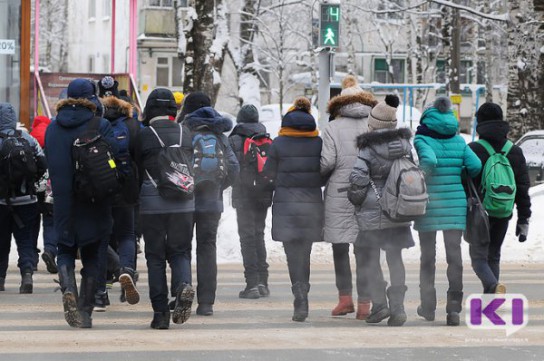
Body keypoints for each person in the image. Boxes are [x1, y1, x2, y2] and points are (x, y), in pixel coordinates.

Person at [45, 78, 118, 328]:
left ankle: (67, 284)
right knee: (92, 256)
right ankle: (85, 312)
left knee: (65, 248)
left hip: (63, 200)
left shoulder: (52, 128)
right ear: (91, 98)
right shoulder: (101, 124)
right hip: (94, 201)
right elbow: (116, 159)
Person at [413, 96, 481, 326]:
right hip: (455, 205)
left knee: (428, 257)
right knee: (454, 256)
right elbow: (475, 166)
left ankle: (428, 306)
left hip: (430, 204)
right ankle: (453, 309)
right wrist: (457, 170)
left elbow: (429, 161)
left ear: (427, 116)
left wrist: (419, 176)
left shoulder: (422, 137)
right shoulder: (459, 139)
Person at [349, 95, 414, 326]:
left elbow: (358, 179)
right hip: (399, 211)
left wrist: (355, 199)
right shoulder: (406, 147)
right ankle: (398, 308)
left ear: (374, 123)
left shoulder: (367, 148)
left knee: (370, 258)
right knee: (395, 257)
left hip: (373, 212)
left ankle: (379, 305)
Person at [135, 88, 195, 329]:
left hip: (152, 205)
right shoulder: (186, 132)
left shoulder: (144, 135)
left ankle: (160, 313)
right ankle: (182, 287)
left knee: (155, 258)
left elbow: (137, 168)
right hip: (183, 203)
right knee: (180, 252)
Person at [320, 75, 377, 319]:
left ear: (339, 105)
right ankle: (365, 305)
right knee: (364, 249)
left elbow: (327, 162)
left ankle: (345, 300)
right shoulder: (374, 125)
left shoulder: (332, 127)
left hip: (340, 193)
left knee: (340, 248)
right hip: (368, 193)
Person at [263, 97, 324, 322]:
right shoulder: (318, 143)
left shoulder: (278, 143)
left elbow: (268, 174)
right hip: (311, 206)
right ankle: (304, 293)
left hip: (286, 205)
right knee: (305, 252)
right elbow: (324, 171)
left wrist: (275, 183)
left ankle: (298, 294)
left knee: (292, 254)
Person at [183, 92, 239, 316]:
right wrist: (217, 186)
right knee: (207, 249)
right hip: (211, 203)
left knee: (182, 249)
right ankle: (206, 303)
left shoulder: (186, 133)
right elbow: (234, 169)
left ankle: (182, 294)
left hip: (186, 201)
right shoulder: (221, 136)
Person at [468, 102, 531, 293]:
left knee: (478, 257)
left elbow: (465, 184)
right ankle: (491, 299)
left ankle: (493, 286)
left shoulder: (473, 149)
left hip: (480, 213)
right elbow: (522, 189)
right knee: (493, 255)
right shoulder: (515, 151)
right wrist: (523, 220)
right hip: (503, 211)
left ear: (480, 122)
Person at [94, 95, 142, 310]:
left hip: (102, 187)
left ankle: (101, 291)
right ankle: (126, 269)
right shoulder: (133, 126)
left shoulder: (98, 125)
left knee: (101, 238)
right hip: (127, 189)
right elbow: (140, 158)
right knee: (126, 234)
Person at [0, 103, 47, 293]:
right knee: (26, 240)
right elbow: (43, 164)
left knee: (1, 241)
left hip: (2, 203)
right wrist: (32, 186)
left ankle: (1, 278)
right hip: (28, 200)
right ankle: (27, 273)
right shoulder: (27, 139)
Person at [228, 104, 273, 299]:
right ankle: (263, 282)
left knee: (247, 237)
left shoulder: (234, 139)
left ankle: (252, 284)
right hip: (263, 193)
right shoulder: (266, 139)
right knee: (259, 234)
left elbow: (230, 167)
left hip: (244, 195)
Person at [30, 115, 58, 274]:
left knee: (31, 225)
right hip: (49, 189)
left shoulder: (30, 137)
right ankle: (50, 250)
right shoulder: (51, 136)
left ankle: (31, 259)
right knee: (50, 222)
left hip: (32, 191)